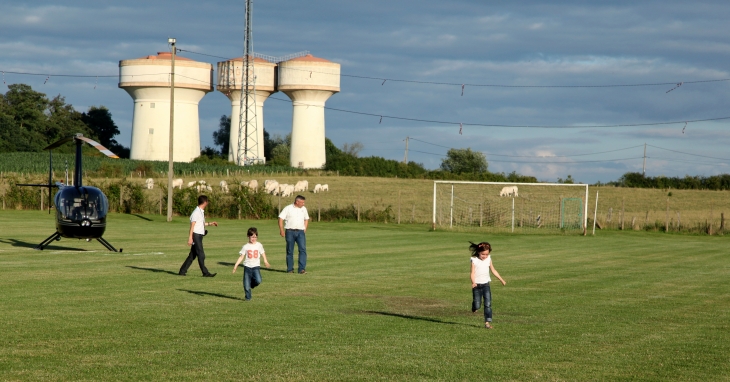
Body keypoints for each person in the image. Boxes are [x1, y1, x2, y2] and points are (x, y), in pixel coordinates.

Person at [469, 241, 506, 329]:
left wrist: (501, 280)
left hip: (486, 285)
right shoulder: (474, 260)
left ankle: (487, 323)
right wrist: (473, 282)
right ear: (478, 252)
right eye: (483, 254)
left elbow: (493, 270)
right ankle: (474, 307)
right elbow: (472, 273)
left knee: (488, 304)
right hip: (477, 286)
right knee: (477, 304)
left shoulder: (488, 259)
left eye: (486, 254)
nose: (485, 256)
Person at [179, 195, 218, 277]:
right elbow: (192, 226)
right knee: (201, 254)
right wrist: (190, 238)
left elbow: (201, 224)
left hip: (199, 235)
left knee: (192, 255)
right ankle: (205, 272)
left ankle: (182, 271)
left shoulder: (200, 211)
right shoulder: (196, 212)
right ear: (205, 202)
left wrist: (210, 224)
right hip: (196, 236)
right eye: (207, 201)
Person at [232, 227, 270, 300]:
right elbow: (241, 257)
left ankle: (252, 284)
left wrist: (265, 261)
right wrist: (235, 266)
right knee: (246, 285)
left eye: (255, 237)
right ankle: (248, 298)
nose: (254, 238)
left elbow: (263, 253)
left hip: (256, 266)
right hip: (247, 267)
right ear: (248, 236)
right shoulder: (245, 247)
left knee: (258, 280)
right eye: (252, 237)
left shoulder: (259, 245)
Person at [278, 195, 309, 274]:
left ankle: (301, 269)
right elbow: (281, 219)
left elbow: (306, 219)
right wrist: (281, 230)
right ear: (297, 202)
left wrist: (304, 229)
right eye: (302, 202)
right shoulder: (288, 208)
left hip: (300, 232)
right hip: (290, 232)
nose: (303, 204)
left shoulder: (304, 209)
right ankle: (290, 269)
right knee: (290, 251)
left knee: (302, 250)